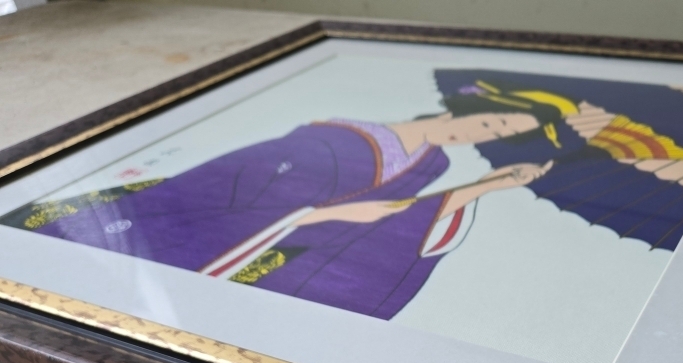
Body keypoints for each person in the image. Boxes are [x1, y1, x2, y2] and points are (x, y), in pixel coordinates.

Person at [3, 84, 566, 320]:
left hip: (288, 230)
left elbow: (388, 221)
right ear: (464, 109)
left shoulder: (433, 165)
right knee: (138, 234)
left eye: (498, 136)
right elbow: (254, 173)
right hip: (231, 205)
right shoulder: (353, 128)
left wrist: (487, 185)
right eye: (489, 121)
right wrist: (318, 211)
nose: (480, 134)